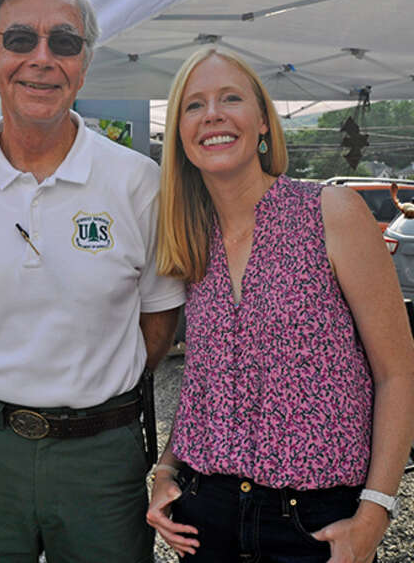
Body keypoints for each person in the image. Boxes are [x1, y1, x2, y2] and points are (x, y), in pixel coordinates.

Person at [0, 0, 186, 562]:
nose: (43, 58)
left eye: (64, 42)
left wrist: (92, 386)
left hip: (103, 452)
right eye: (20, 40)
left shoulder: (139, 182)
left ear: (84, 63)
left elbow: (158, 319)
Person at [147, 47, 414, 562]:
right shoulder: (188, 239)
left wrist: (375, 513)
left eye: (230, 98)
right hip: (206, 513)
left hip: (315, 521)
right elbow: (206, 384)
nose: (213, 115)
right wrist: (165, 472)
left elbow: (397, 373)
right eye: (193, 105)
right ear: (180, 134)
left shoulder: (331, 213)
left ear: (265, 122)